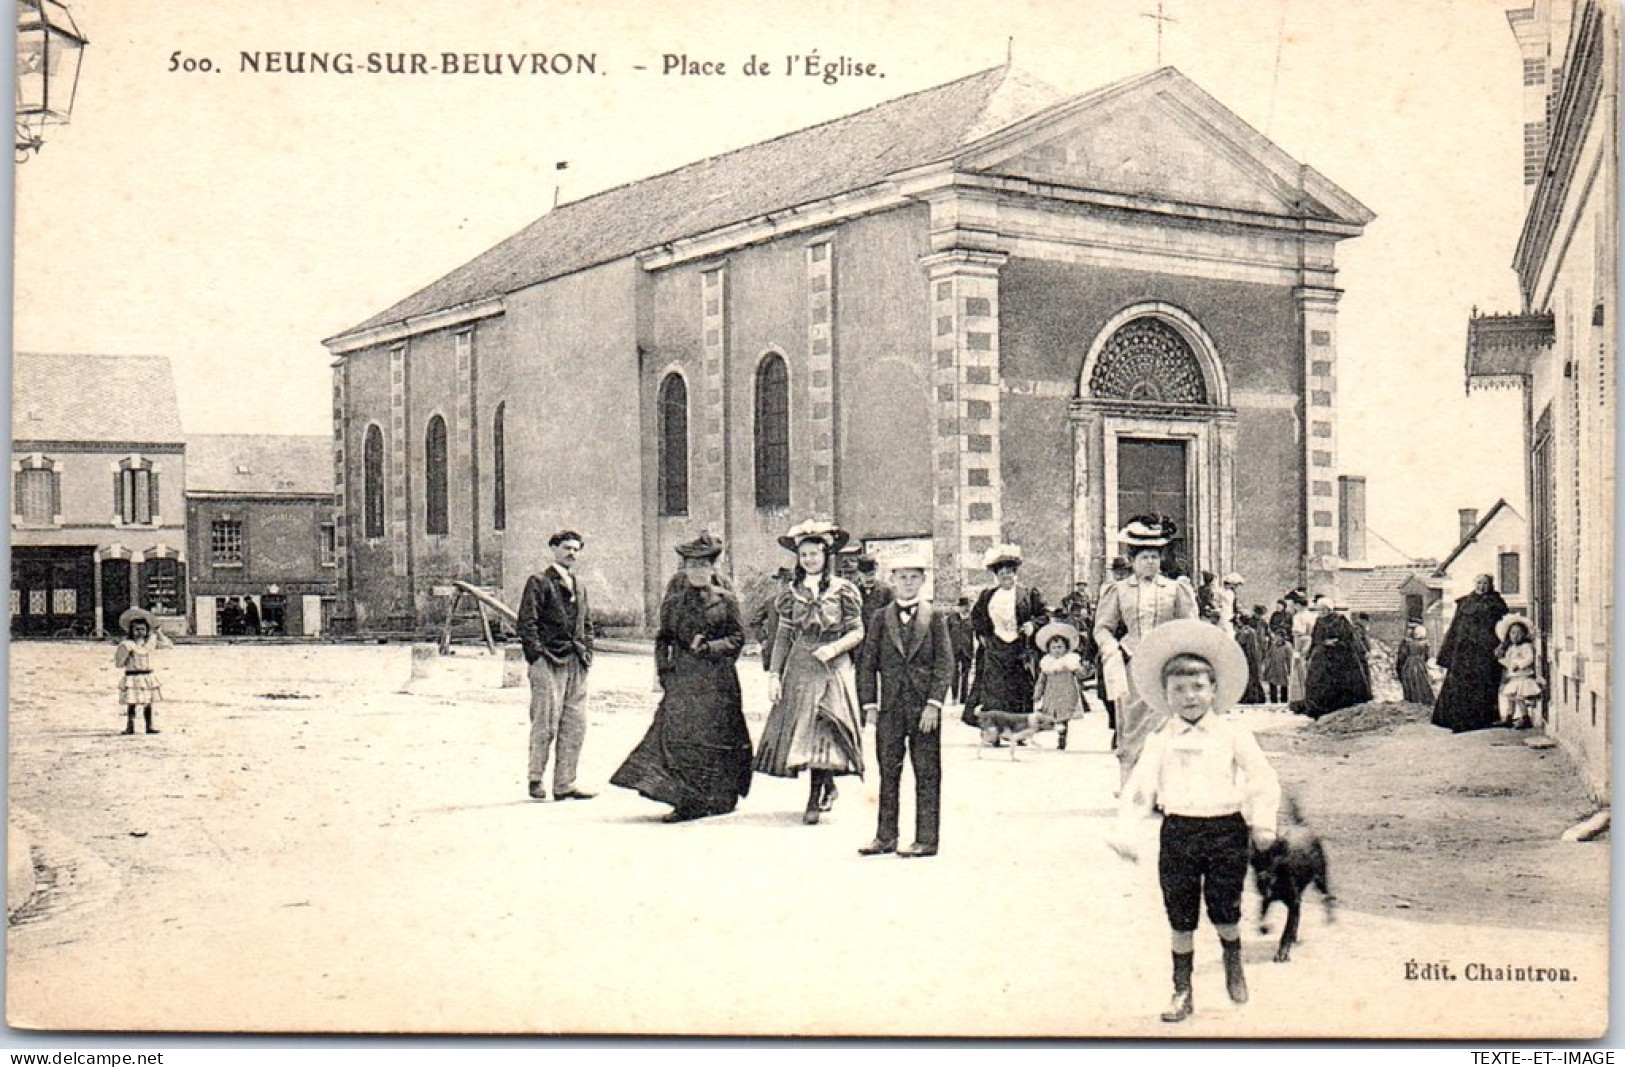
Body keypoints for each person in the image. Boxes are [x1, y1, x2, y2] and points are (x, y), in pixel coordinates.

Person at [1109, 619, 1282, 1024]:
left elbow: (1262, 777)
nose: (1189, 697)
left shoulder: (1232, 734)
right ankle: (1181, 989)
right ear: (1166, 695)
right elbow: (1139, 789)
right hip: (1180, 833)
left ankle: (1232, 959)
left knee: (1224, 909)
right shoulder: (1160, 739)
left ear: (1214, 690)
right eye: (1179, 689)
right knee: (1180, 912)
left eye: (1198, 687)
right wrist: (1127, 833)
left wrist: (1263, 823)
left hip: (1225, 830)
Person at [611, 533, 753, 822]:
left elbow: (738, 637)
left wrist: (712, 648)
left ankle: (722, 796)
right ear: (684, 569)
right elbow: (663, 639)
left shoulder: (726, 601)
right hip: (684, 681)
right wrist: (665, 672)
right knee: (680, 740)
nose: (697, 571)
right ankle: (687, 802)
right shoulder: (674, 602)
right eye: (692, 565)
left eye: (703, 565)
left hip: (718, 683)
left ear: (713, 569)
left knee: (719, 737)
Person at [754, 519, 866, 824]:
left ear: (826, 556)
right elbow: (783, 636)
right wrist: (774, 674)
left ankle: (816, 796)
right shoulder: (792, 592)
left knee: (828, 723)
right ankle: (822, 788)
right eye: (804, 555)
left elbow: (858, 631)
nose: (809, 560)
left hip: (834, 664)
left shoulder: (845, 590)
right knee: (806, 730)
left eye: (814, 554)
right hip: (802, 665)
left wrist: (834, 649)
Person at [856, 554, 952, 858]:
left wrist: (934, 704)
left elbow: (945, 664)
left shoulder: (934, 617)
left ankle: (926, 840)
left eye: (914, 577)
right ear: (892, 580)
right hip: (890, 708)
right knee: (888, 771)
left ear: (923, 580)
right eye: (902, 577)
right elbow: (866, 664)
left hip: (924, 710)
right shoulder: (880, 618)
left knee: (927, 772)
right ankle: (885, 837)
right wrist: (870, 704)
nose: (908, 583)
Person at [1093, 518, 1198, 781]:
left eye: (1154, 557)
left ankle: (1165, 788)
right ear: (1133, 560)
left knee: (1166, 725)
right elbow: (1102, 627)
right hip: (1132, 665)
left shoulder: (1175, 589)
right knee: (1132, 725)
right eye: (1144, 557)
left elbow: (1190, 625)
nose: (1150, 562)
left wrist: (1181, 652)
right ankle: (1132, 786)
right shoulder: (1118, 590)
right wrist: (1111, 648)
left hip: (1166, 667)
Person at [516, 530, 596, 802]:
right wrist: (536, 656)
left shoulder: (579, 585)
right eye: (565, 548)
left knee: (575, 724)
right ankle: (535, 778)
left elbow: (587, 624)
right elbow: (527, 623)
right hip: (548, 660)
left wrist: (587, 654)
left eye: (575, 549)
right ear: (553, 549)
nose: (571, 553)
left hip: (576, 661)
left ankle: (565, 784)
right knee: (545, 722)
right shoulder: (539, 582)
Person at [967, 544, 1048, 744]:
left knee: (1021, 690)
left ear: (1015, 574)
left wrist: (1033, 625)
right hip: (995, 649)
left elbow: (1045, 616)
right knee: (993, 692)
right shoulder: (987, 596)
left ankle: (1020, 734)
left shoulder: (1028, 594)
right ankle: (992, 733)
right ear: (996, 575)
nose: (1006, 576)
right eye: (1002, 573)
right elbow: (976, 617)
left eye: (1010, 572)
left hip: (1020, 649)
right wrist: (984, 636)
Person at [1431, 574, 1510, 734]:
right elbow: (1455, 627)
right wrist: (1447, 653)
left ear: (1490, 585)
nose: (1481, 586)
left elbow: (1505, 629)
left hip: (1485, 653)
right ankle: (1460, 720)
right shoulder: (1465, 602)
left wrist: (1503, 647)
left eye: (1485, 583)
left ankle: (1482, 719)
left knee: (1484, 685)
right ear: (1474, 584)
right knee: (1462, 686)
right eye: (1479, 583)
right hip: (1464, 653)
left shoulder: (1497, 604)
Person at [1303, 598, 1371, 719]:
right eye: (1320, 610)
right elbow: (1315, 639)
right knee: (1317, 681)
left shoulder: (1340, 620)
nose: (1322, 612)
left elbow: (1351, 639)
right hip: (1323, 657)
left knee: (1341, 682)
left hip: (1340, 656)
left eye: (1324, 609)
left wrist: (1337, 642)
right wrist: (1312, 652)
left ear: (1329, 609)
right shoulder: (1319, 622)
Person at [1032, 620, 1092, 751]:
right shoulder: (1047, 664)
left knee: (1063, 717)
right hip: (1052, 694)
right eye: (1054, 648)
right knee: (1051, 715)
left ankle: (1062, 737)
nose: (1057, 650)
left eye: (1060, 647)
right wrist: (1038, 693)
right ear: (1048, 649)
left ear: (1066, 648)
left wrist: (1086, 670)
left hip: (1067, 693)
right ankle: (1042, 733)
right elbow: (1041, 680)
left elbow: (1080, 674)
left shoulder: (1070, 662)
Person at [114, 608, 173, 736]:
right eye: (136, 629)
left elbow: (169, 645)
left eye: (142, 629)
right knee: (132, 702)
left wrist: (159, 633)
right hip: (133, 676)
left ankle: (149, 726)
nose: (139, 632)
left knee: (148, 702)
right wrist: (128, 656)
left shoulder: (150, 644)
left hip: (147, 675)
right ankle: (130, 726)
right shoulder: (126, 645)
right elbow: (118, 663)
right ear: (131, 631)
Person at [1494, 614, 1543, 730]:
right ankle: (1508, 717)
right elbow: (1509, 661)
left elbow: (1529, 658)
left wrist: (1519, 664)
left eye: (1519, 633)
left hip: (1523, 677)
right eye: (1513, 633)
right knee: (1510, 697)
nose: (1515, 636)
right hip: (1514, 677)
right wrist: (1502, 660)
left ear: (1524, 634)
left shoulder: (1526, 647)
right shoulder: (1511, 648)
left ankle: (1525, 717)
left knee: (1519, 698)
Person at [750, 567, 794, 671]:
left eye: (787, 582)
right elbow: (755, 622)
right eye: (781, 582)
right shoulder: (770, 602)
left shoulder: (799, 602)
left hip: (794, 649)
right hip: (773, 648)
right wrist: (763, 639)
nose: (783, 585)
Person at [1394, 623, 1436, 707]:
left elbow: (1403, 655)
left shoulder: (1408, 643)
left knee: (1410, 681)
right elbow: (1427, 656)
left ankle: (1411, 699)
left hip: (1409, 663)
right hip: (1419, 663)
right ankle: (1422, 699)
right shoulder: (1425, 643)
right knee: (1422, 681)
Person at [946, 596, 976, 704]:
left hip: (967, 650)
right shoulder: (951, 618)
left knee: (966, 674)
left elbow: (976, 634)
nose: (965, 609)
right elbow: (945, 635)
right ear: (959, 607)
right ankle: (954, 697)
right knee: (954, 674)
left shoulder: (972, 619)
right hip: (953, 650)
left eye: (967, 606)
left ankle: (963, 699)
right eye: (963, 607)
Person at [853, 555, 895, 620]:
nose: (869, 578)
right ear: (858, 573)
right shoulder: (852, 590)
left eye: (871, 574)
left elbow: (893, 615)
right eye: (865, 575)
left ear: (876, 572)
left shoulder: (886, 590)